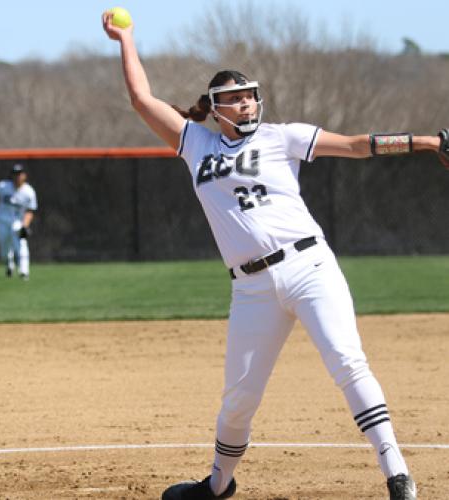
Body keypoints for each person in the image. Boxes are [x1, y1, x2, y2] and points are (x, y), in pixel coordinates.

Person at [102, 12, 448, 500]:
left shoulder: (282, 136)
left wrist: (427, 141)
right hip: (251, 288)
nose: (246, 103)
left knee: (348, 362)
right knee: (239, 398)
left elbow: (354, 145)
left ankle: (397, 474)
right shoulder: (196, 143)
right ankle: (218, 484)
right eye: (235, 99)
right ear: (217, 109)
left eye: (249, 96)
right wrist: (127, 38)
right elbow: (142, 99)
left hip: (309, 267)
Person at [0, 163, 37, 280]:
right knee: (4, 246)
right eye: (15, 174)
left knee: (21, 244)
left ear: (24, 176)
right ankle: (9, 264)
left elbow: (30, 210)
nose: (17, 177)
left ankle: (24, 271)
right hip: (1, 220)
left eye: (19, 174)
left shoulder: (29, 191)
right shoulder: (3, 186)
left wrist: (25, 225)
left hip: (17, 222)